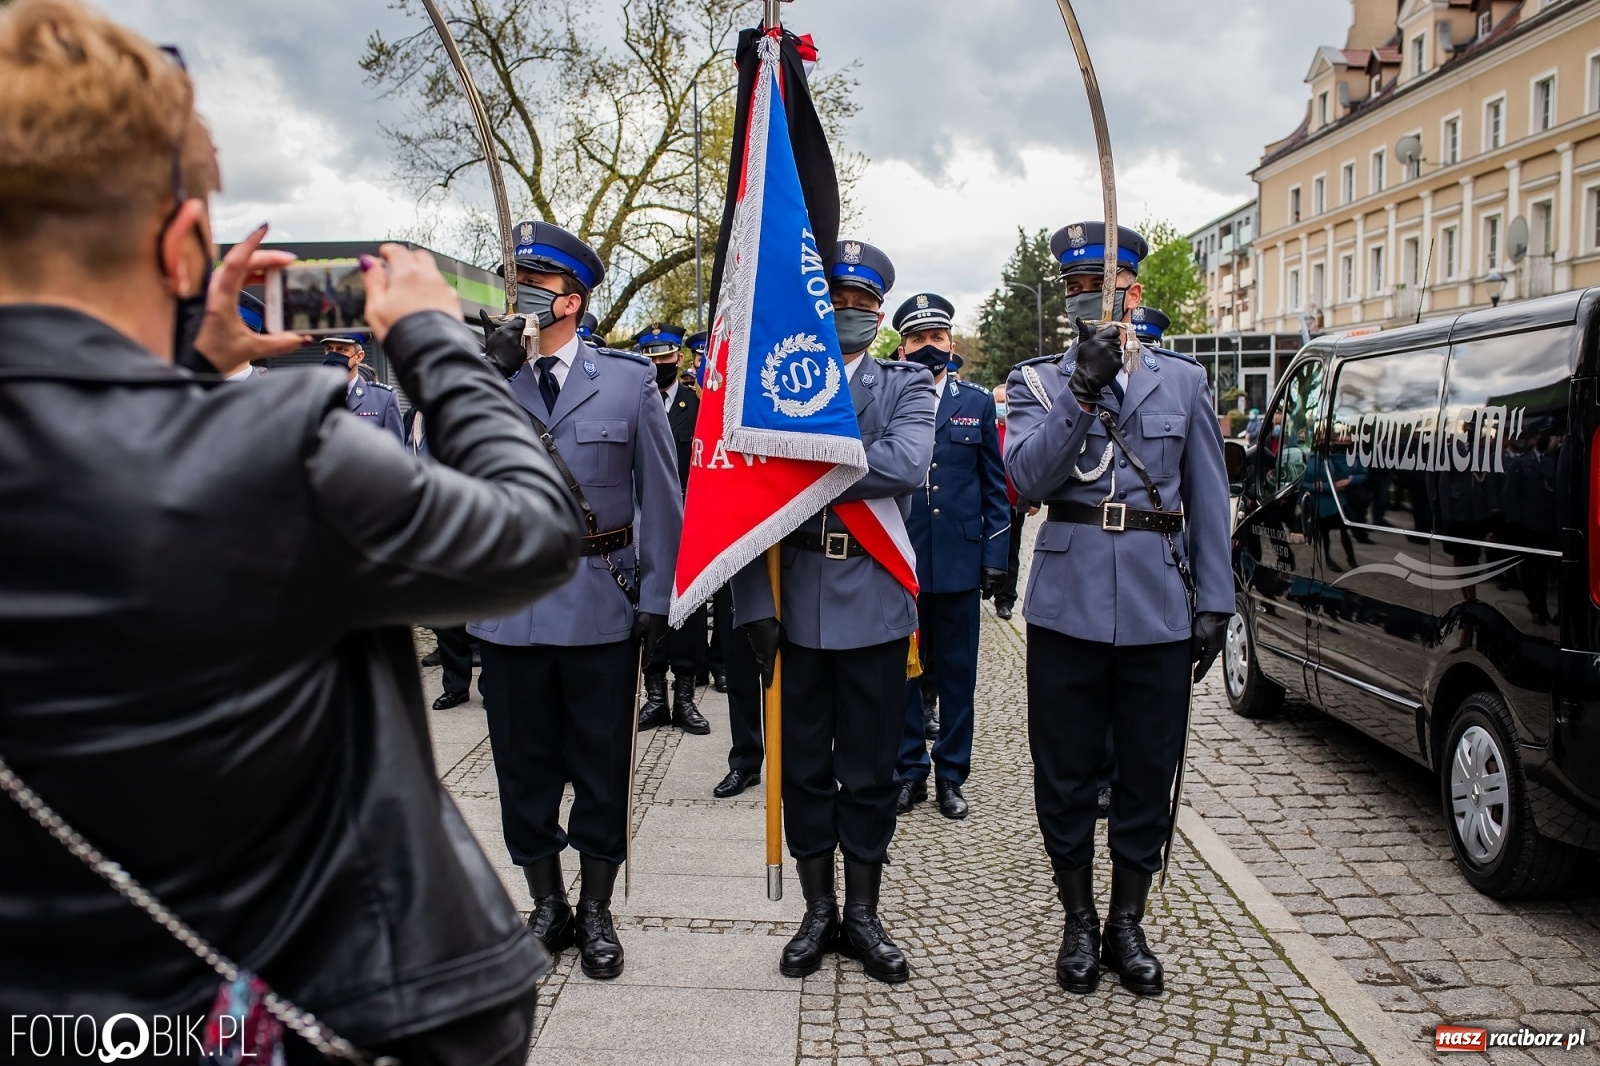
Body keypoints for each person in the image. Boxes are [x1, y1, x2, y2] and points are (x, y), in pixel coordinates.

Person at [0, 3, 585, 1060]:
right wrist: (434, 342)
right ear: (184, 246)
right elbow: (533, 531)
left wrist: (191, 366)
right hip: (292, 1013)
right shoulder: (277, 454)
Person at [1004, 221, 1232, 998]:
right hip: (1066, 605)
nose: (1081, 301)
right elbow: (1030, 480)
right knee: (1063, 772)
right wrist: (1082, 389)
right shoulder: (1038, 382)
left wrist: (1217, 603)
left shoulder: (1184, 381)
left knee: (1146, 768)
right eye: (1070, 289)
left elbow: (1208, 496)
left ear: (1131, 290)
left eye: (1095, 286)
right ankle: (1075, 918)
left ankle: (1126, 921)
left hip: (1158, 601)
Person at [468, 220, 682, 982]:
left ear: (572, 301)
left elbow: (661, 497)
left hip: (599, 605)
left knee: (600, 767)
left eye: (534, 285)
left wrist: (659, 598)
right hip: (509, 608)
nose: (518, 298)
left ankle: (595, 908)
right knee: (522, 772)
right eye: (513, 283)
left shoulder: (626, 382)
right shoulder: (483, 375)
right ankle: (547, 903)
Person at [734, 240, 937, 985]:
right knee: (804, 772)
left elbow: (906, 463)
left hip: (874, 600)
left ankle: (863, 912)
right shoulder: (777, 385)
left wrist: (803, 455)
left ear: (879, 315)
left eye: (859, 303)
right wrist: (751, 602)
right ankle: (817, 911)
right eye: (835, 302)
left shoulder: (907, 383)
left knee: (870, 769)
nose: (847, 313)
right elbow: (748, 493)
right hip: (791, 595)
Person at [892, 293, 1009, 822]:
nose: (927, 348)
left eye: (936, 339)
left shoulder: (977, 403)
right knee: (904, 673)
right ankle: (909, 770)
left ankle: (952, 775)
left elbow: (995, 489)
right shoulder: (889, 395)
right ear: (901, 347)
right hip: (902, 560)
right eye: (917, 340)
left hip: (960, 563)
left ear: (951, 344)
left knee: (958, 676)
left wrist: (996, 556)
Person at [633, 322, 711, 736]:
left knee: (689, 612)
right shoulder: (630, 400)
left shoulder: (696, 406)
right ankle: (654, 697)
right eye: (650, 356)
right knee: (647, 608)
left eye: (664, 356)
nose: (657, 363)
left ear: (677, 358)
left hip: (689, 525)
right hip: (644, 523)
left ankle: (684, 698)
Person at [990, 383, 1036, 621]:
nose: (1002, 407)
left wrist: (1034, 499)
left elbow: (1034, 465)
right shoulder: (986, 429)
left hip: (1014, 504)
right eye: (997, 402)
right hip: (987, 505)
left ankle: (1005, 600)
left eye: (1005, 402)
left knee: (1011, 552)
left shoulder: (1022, 431)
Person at [322, 333, 405, 443]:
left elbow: (396, 452)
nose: (333, 356)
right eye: (329, 349)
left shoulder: (383, 398)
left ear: (359, 356)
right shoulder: (314, 396)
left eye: (341, 350)